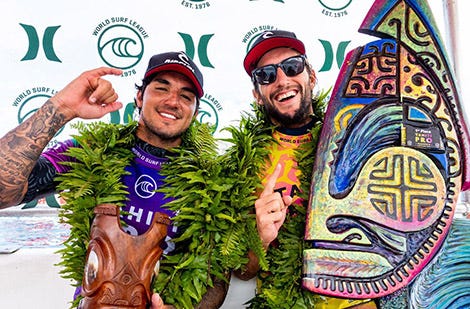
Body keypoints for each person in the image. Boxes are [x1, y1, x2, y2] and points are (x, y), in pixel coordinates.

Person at [0, 51, 227, 309]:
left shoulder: (210, 181)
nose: (173, 101)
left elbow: (217, 275)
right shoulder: (94, 151)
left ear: (195, 112)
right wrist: (61, 108)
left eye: (186, 96)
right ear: (140, 97)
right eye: (162, 88)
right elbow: (2, 192)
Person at [231, 29, 378, 308]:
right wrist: (259, 237)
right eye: (267, 75)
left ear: (311, 75)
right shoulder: (243, 163)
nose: (282, 80)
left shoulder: (353, 136)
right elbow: (242, 270)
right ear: (257, 95)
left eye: (292, 67)